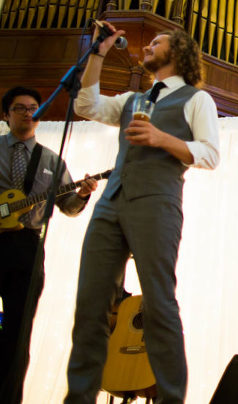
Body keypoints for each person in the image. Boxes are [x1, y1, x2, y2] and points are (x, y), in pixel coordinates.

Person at [65, 23, 220, 403]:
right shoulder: (133, 99)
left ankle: (170, 398)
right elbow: (85, 105)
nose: (147, 46)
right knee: (90, 306)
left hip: (157, 202)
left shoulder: (195, 100)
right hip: (110, 202)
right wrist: (98, 53)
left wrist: (162, 139)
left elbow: (211, 155)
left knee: (158, 303)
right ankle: (79, 397)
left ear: (179, 52)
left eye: (156, 42)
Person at [0, 86, 97, 404]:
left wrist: (82, 194)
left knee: (17, 333)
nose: (28, 113)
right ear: (6, 114)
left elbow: (68, 207)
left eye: (33, 108)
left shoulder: (52, 161)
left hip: (27, 247)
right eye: (20, 108)